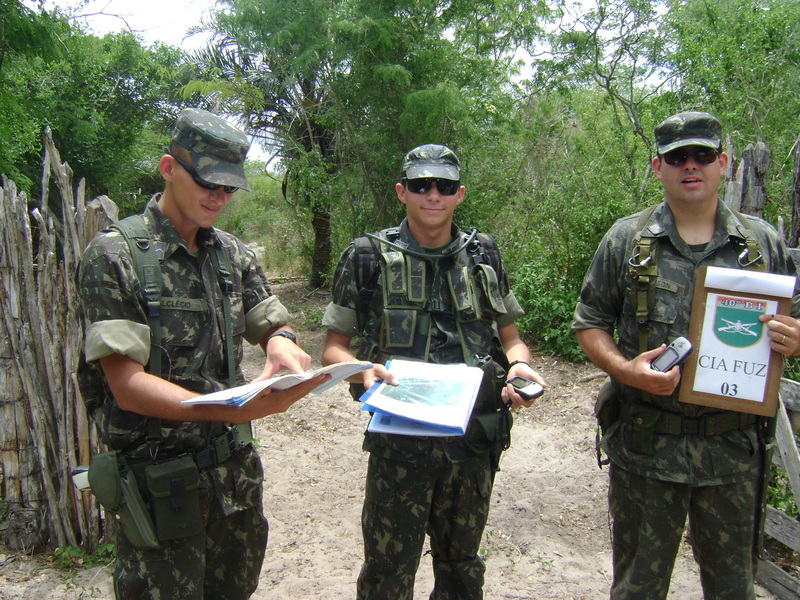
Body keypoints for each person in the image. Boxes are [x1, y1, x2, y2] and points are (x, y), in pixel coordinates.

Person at [78, 107, 329, 600]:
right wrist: (239, 407)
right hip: (161, 484)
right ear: (169, 168)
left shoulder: (231, 252)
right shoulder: (116, 255)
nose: (219, 198)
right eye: (209, 183)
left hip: (234, 479)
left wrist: (282, 346)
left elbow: (271, 320)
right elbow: (126, 386)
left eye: (230, 189)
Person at [573, 111, 800, 599]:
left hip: (732, 455)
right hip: (647, 448)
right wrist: (624, 370)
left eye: (702, 156)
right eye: (678, 157)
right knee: (638, 589)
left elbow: (794, 322)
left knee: (733, 590)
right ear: (659, 167)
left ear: (723, 164)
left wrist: (794, 337)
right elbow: (589, 323)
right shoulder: (628, 242)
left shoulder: (761, 245)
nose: (690, 166)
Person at [321, 144, 546, 599]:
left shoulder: (483, 253)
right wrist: (362, 372)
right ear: (402, 191)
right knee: (387, 574)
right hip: (399, 443)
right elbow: (332, 350)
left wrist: (520, 364)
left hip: (471, 443)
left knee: (462, 571)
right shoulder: (366, 255)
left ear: (459, 194)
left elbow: (511, 337)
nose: (433, 196)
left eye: (443, 186)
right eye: (421, 186)